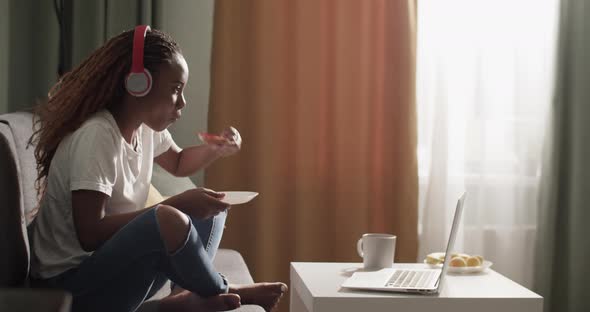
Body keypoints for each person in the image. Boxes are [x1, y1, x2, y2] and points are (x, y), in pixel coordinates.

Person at [28, 25, 287, 312]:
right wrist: (174, 205)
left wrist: (215, 148)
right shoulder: (98, 136)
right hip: (74, 287)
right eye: (175, 90)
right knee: (167, 218)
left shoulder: (145, 127)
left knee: (214, 205)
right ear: (138, 83)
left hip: (112, 274)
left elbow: (178, 163)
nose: (183, 102)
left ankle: (184, 296)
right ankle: (221, 288)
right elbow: (88, 233)